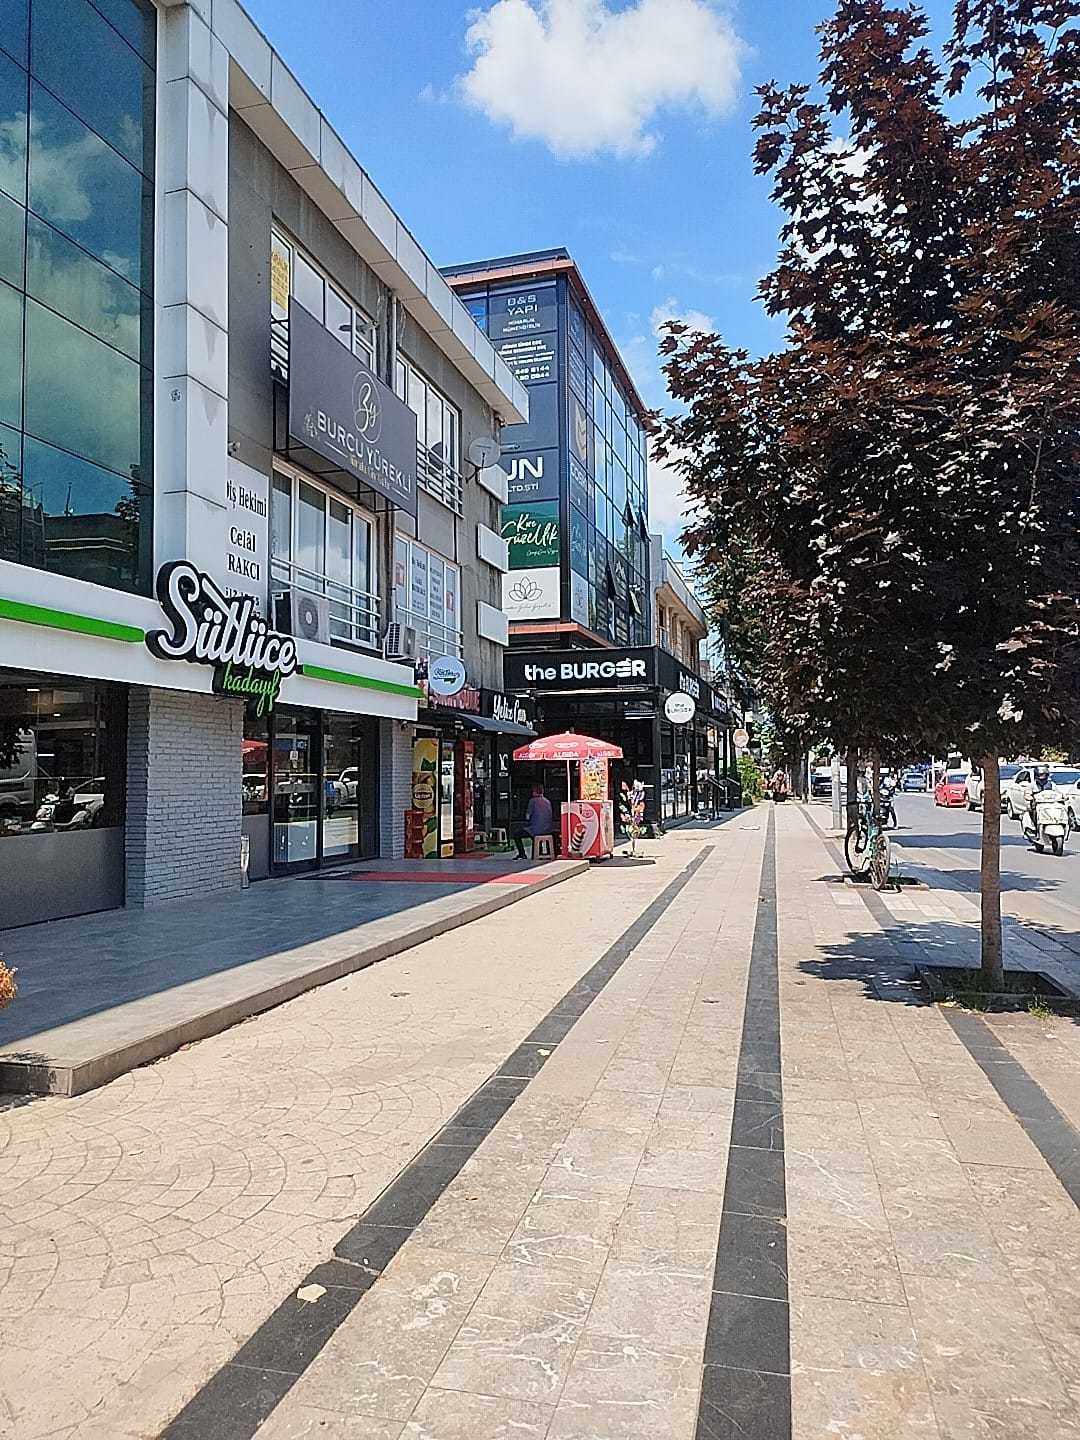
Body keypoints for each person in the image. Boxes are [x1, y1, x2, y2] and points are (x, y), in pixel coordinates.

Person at [515, 782, 555, 859]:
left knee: (517, 835)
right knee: (534, 834)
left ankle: (522, 854)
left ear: (534, 791)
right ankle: (540, 852)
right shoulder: (548, 802)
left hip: (536, 829)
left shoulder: (532, 801)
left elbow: (527, 816)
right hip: (548, 829)